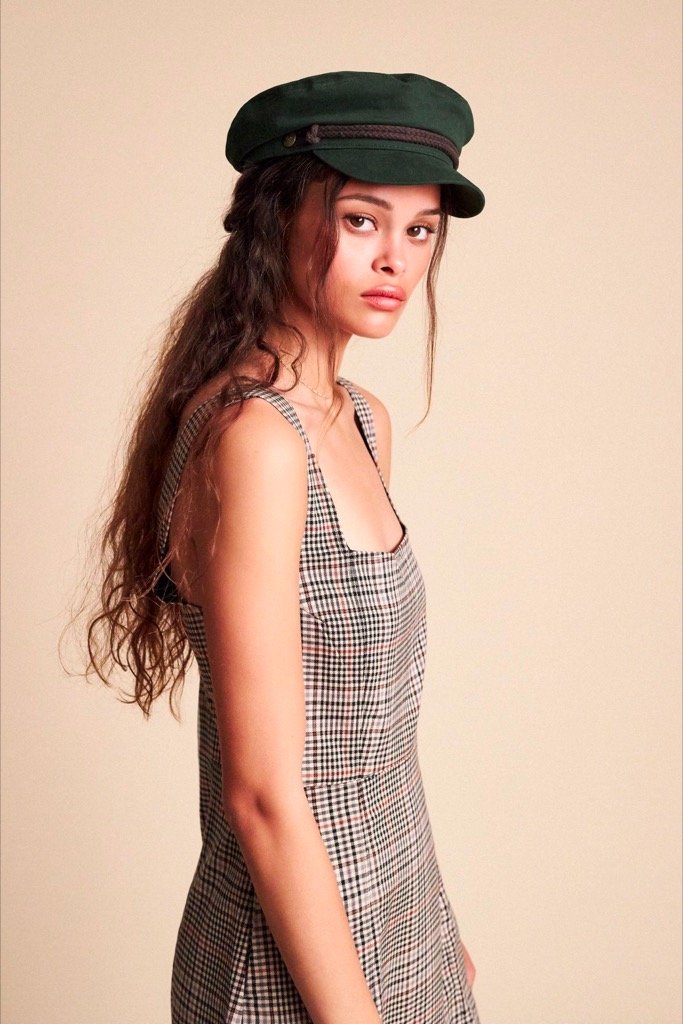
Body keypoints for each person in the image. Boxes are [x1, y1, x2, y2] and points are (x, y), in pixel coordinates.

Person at [78, 70, 485, 1023]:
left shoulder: (363, 420)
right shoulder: (256, 440)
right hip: (289, 954)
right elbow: (263, 799)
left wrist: (435, 922)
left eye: (420, 231)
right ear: (276, 222)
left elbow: (375, 736)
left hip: (397, 911)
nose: (394, 259)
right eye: (360, 220)